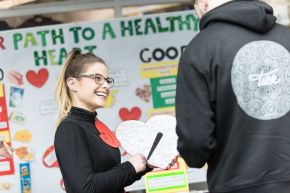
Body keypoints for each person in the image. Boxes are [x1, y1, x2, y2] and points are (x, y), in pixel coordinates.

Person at [175, 0, 290, 193]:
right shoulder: (287, 37)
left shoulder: (200, 49)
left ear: (202, 4)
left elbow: (196, 143)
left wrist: (191, 154)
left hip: (237, 183)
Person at [54, 50, 152, 193]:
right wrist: (130, 167)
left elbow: (110, 180)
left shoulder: (94, 124)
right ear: (73, 84)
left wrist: (148, 164)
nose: (106, 85)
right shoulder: (70, 128)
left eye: (107, 80)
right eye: (97, 78)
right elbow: (85, 188)